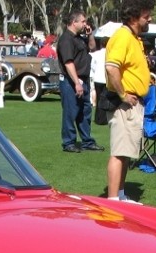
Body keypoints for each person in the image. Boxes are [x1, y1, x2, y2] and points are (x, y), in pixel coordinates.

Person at [104, 0, 153, 202]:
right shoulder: (123, 36)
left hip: (133, 102)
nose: (149, 19)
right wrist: (123, 94)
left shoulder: (133, 38)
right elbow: (111, 67)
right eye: (146, 16)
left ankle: (121, 195)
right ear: (133, 17)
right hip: (124, 103)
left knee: (125, 152)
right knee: (119, 152)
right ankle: (113, 199)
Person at [57, 9, 101, 152]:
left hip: (83, 79)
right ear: (73, 22)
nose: (85, 24)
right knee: (71, 112)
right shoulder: (66, 39)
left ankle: (87, 141)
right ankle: (69, 142)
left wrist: (90, 35)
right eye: (82, 21)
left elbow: (93, 48)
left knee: (85, 112)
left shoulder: (79, 38)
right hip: (71, 81)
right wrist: (76, 83)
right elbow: (68, 63)